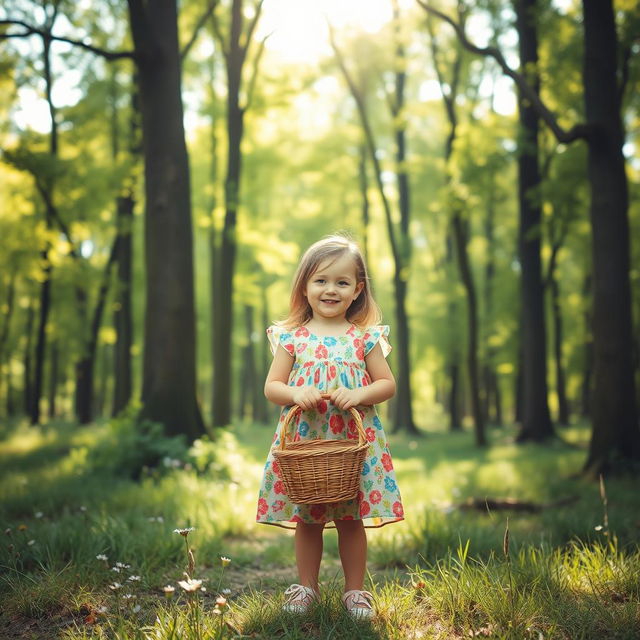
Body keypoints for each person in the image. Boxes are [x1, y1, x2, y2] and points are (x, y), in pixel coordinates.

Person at [255, 234, 404, 620]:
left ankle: (355, 591)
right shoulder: (292, 338)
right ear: (305, 286)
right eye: (321, 280)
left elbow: (386, 384)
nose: (331, 289)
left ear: (357, 290)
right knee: (308, 518)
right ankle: (306, 587)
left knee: (351, 519)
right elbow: (272, 387)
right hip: (307, 440)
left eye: (342, 282)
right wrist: (295, 392)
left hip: (354, 441)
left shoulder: (365, 338)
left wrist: (360, 394)